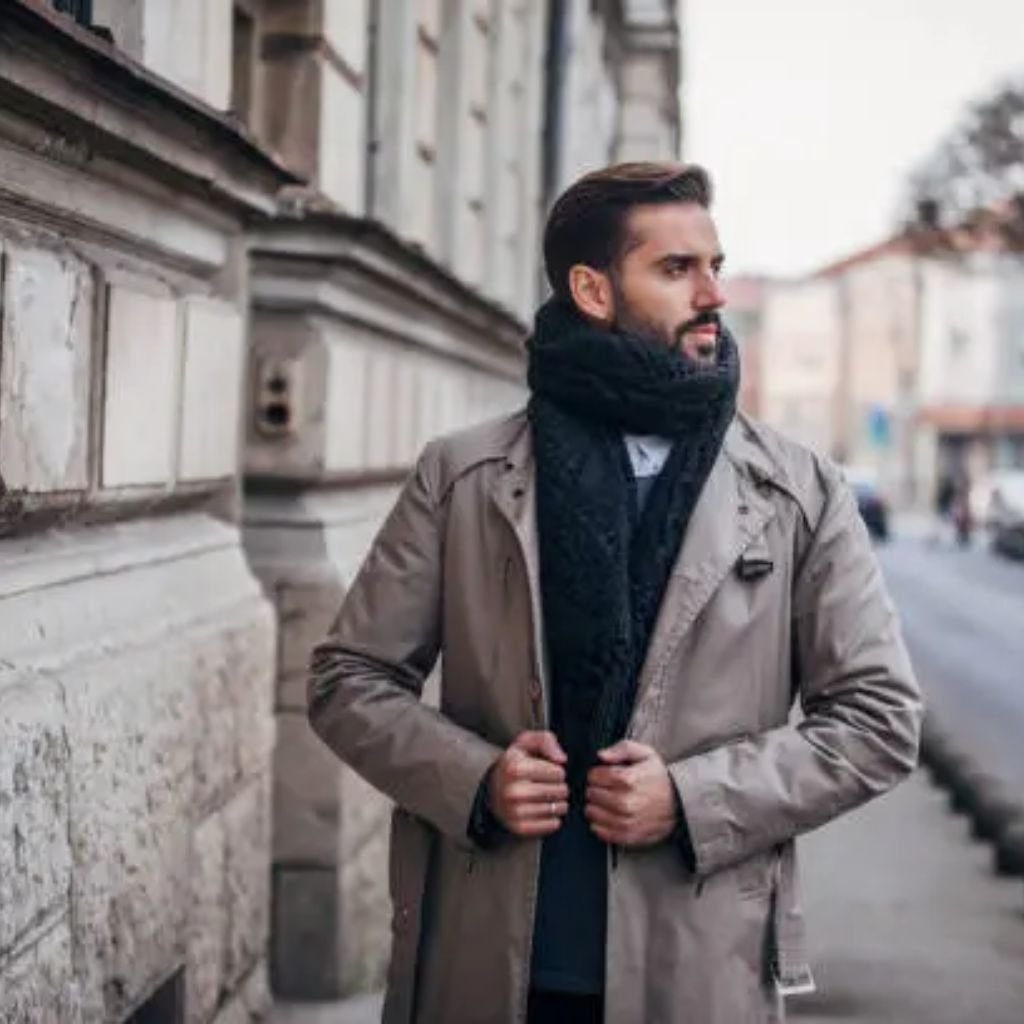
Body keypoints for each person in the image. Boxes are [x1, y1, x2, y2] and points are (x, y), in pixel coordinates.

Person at [308, 163, 923, 1024]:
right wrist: (475, 777)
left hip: (697, 969)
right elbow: (348, 682)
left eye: (715, 264)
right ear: (593, 291)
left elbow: (878, 718)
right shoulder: (465, 475)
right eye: (676, 270)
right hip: (489, 965)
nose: (713, 294)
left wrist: (691, 798)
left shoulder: (798, 491)